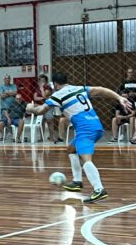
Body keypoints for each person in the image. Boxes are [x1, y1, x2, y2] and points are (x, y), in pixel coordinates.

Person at [27, 73, 130, 203]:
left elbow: (41, 110)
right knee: (71, 148)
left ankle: (99, 189)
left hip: (85, 129)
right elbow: (100, 90)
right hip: (96, 125)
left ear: (55, 84)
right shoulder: (79, 88)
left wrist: (30, 108)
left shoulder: (57, 95)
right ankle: (77, 182)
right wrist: (119, 97)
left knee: (86, 159)